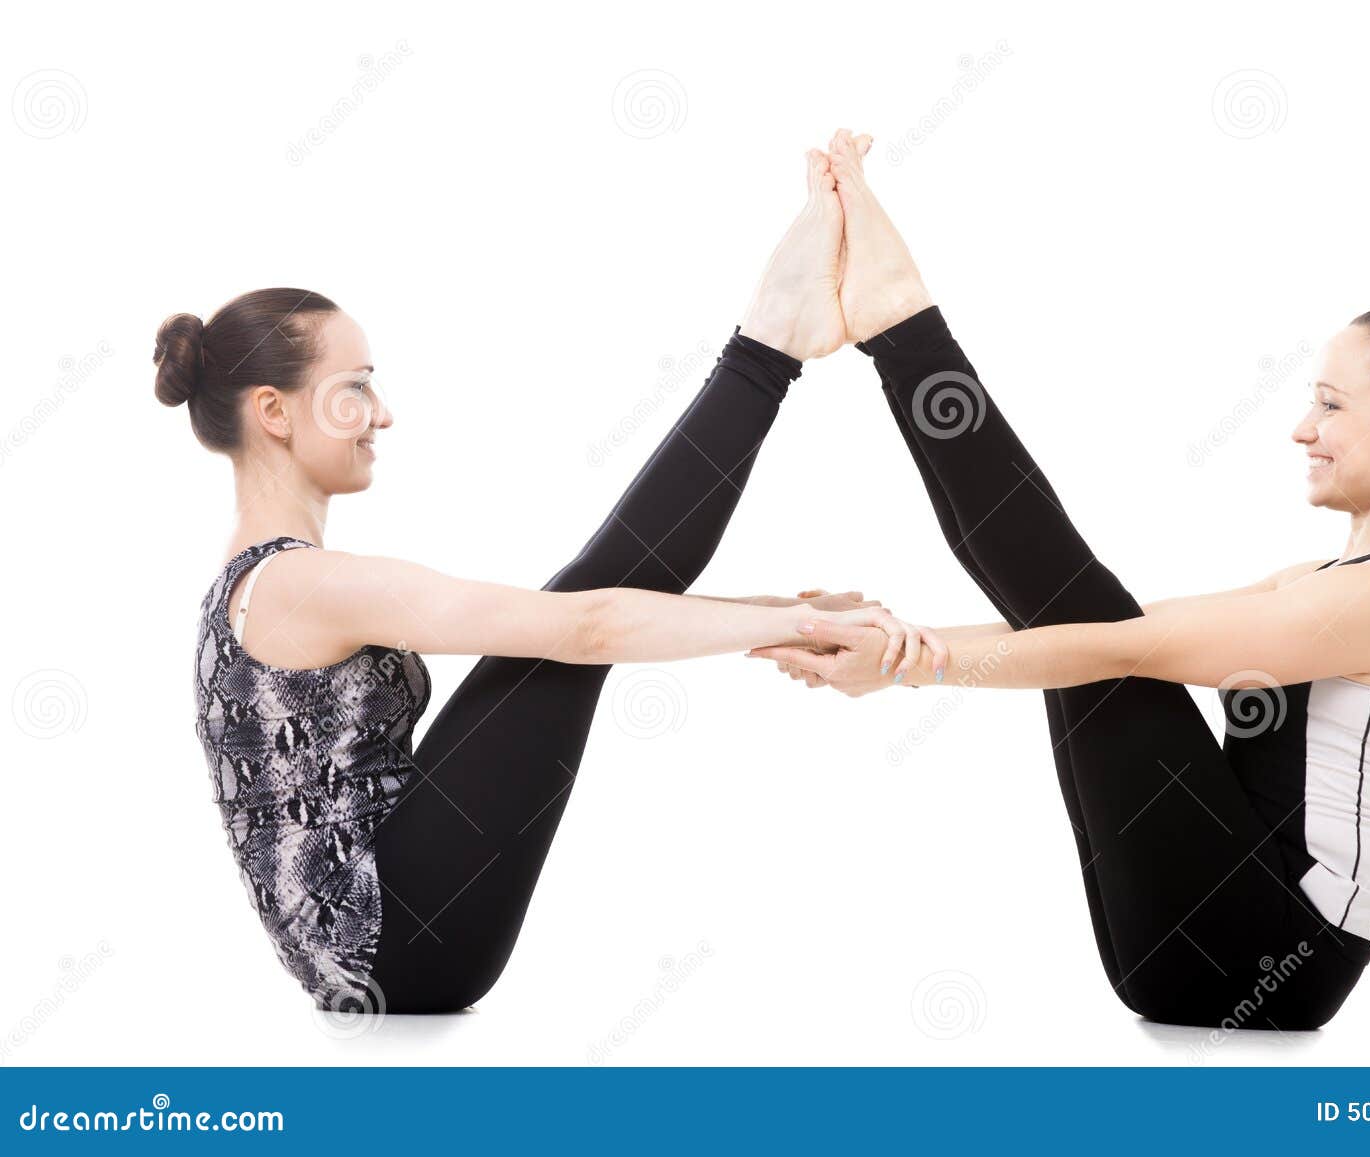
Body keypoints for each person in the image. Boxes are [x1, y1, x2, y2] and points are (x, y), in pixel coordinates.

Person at [753, 130, 1370, 1029]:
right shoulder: (1329, 578)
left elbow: (1126, 643)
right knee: (1080, 622)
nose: (1301, 428)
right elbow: (1114, 630)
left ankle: (901, 326)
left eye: (1331, 403)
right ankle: (900, 328)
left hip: (1272, 955)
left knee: (1089, 626)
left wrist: (907, 664)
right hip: (1207, 946)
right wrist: (899, 640)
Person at [160, 146, 942, 1014]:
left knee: (577, 605)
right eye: (355, 388)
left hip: (393, 948)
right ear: (273, 411)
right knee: (581, 605)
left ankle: (769, 345)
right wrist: (791, 621)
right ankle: (767, 347)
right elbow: (587, 627)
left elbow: (583, 623)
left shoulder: (261, 584)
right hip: (402, 947)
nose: (383, 413)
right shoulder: (302, 585)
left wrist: (778, 613)